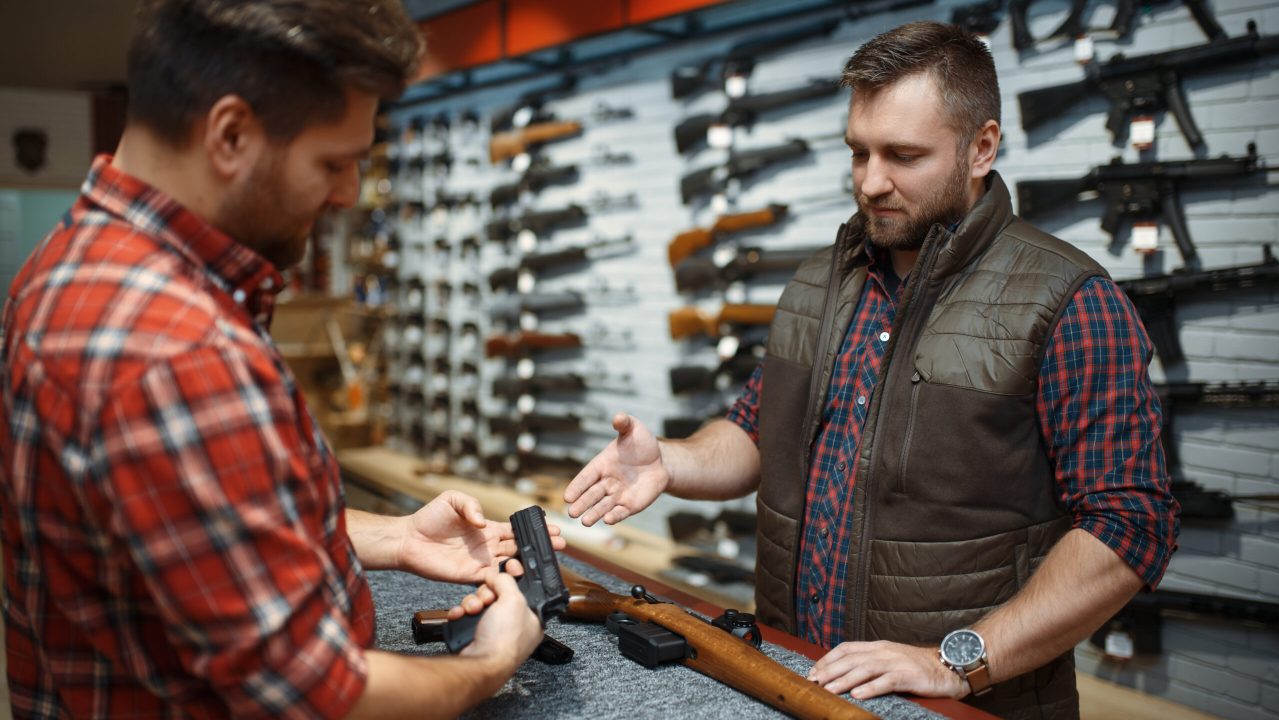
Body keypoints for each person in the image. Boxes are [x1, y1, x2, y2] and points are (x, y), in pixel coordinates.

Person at [565, 20, 1178, 719]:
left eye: (903, 155)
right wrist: (669, 464)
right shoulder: (818, 283)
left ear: (982, 147)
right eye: (858, 152)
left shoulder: (1069, 301)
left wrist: (958, 660)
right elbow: (757, 434)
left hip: (961, 706)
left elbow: (1129, 525)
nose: (870, 181)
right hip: (796, 679)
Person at [0, 1, 559, 717]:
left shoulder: (79, 261)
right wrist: (490, 660)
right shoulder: (177, 352)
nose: (350, 192)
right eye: (334, 162)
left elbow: (192, 533)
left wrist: (395, 535)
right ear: (230, 134)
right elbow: (314, 698)